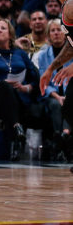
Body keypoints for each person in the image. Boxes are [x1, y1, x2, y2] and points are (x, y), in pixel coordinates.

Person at [0, 19, 41, 160]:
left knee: (10, 91)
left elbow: (35, 79)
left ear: (10, 35)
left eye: (3, 28)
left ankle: (16, 130)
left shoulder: (20, 54)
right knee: (3, 87)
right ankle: (16, 127)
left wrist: (25, 88)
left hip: (20, 96)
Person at [34, 19, 72, 158]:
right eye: (53, 30)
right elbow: (45, 81)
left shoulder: (71, 49)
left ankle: (65, 134)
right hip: (52, 95)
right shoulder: (43, 55)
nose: (56, 33)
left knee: (70, 103)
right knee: (56, 105)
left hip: (70, 92)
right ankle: (60, 137)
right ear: (48, 35)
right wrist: (58, 96)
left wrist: (67, 96)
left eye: (59, 30)